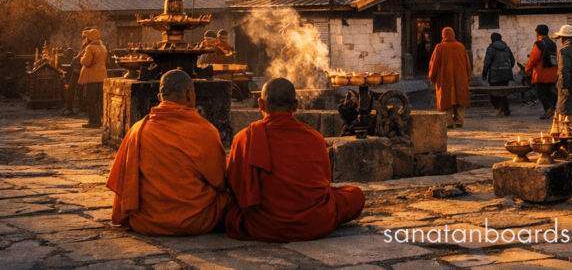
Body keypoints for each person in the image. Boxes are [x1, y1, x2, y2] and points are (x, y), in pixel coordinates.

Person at [225, 78, 365, 242]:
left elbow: (234, 186)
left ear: (260, 104)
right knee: (356, 195)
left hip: (264, 224)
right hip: (314, 223)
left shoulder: (243, 138)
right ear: (296, 105)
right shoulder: (315, 138)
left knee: (225, 207)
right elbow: (324, 183)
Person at [106, 70, 229, 236]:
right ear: (190, 95)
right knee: (231, 199)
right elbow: (220, 182)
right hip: (196, 220)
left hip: (147, 221)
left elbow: (123, 185)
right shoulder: (205, 131)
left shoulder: (137, 130)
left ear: (159, 98)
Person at [428, 27, 471, 128]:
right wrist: (467, 78)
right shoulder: (461, 47)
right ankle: (459, 120)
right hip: (460, 78)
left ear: (443, 35)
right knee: (459, 98)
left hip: (444, 79)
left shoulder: (439, 47)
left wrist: (432, 77)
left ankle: (449, 122)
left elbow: (434, 64)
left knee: (446, 100)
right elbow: (467, 65)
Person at [525, 24, 558, 120]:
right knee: (549, 93)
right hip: (552, 72)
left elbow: (533, 58)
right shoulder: (552, 43)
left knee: (541, 93)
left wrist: (527, 68)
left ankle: (549, 109)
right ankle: (549, 113)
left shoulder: (538, 43)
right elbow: (555, 57)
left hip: (541, 72)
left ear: (538, 32)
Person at [481, 32, 516, 117]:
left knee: (493, 92)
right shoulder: (507, 48)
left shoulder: (490, 48)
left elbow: (487, 62)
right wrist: (507, 68)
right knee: (503, 92)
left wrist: (484, 73)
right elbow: (513, 61)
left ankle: (498, 107)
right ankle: (506, 109)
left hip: (495, 74)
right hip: (506, 74)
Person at [78, 28, 108, 128]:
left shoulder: (90, 48)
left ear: (90, 38)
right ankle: (102, 120)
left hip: (92, 77)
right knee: (100, 100)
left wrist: (81, 58)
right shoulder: (103, 47)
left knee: (90, 100)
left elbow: (86, 62)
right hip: (102, 76)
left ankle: (94, 121)